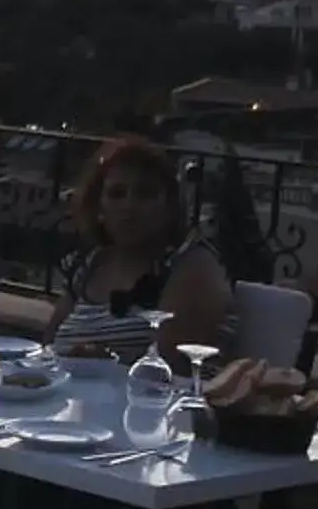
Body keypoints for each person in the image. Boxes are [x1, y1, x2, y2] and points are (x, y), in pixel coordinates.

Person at [46, 137, 237, 364]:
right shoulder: (89, 265)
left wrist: (103, 363)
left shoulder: (191, 265)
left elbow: (172, 367)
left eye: (146, 193)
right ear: (99, 209)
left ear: (169, 206)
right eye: (117, 194)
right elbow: (48, 347)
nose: (129, 206)